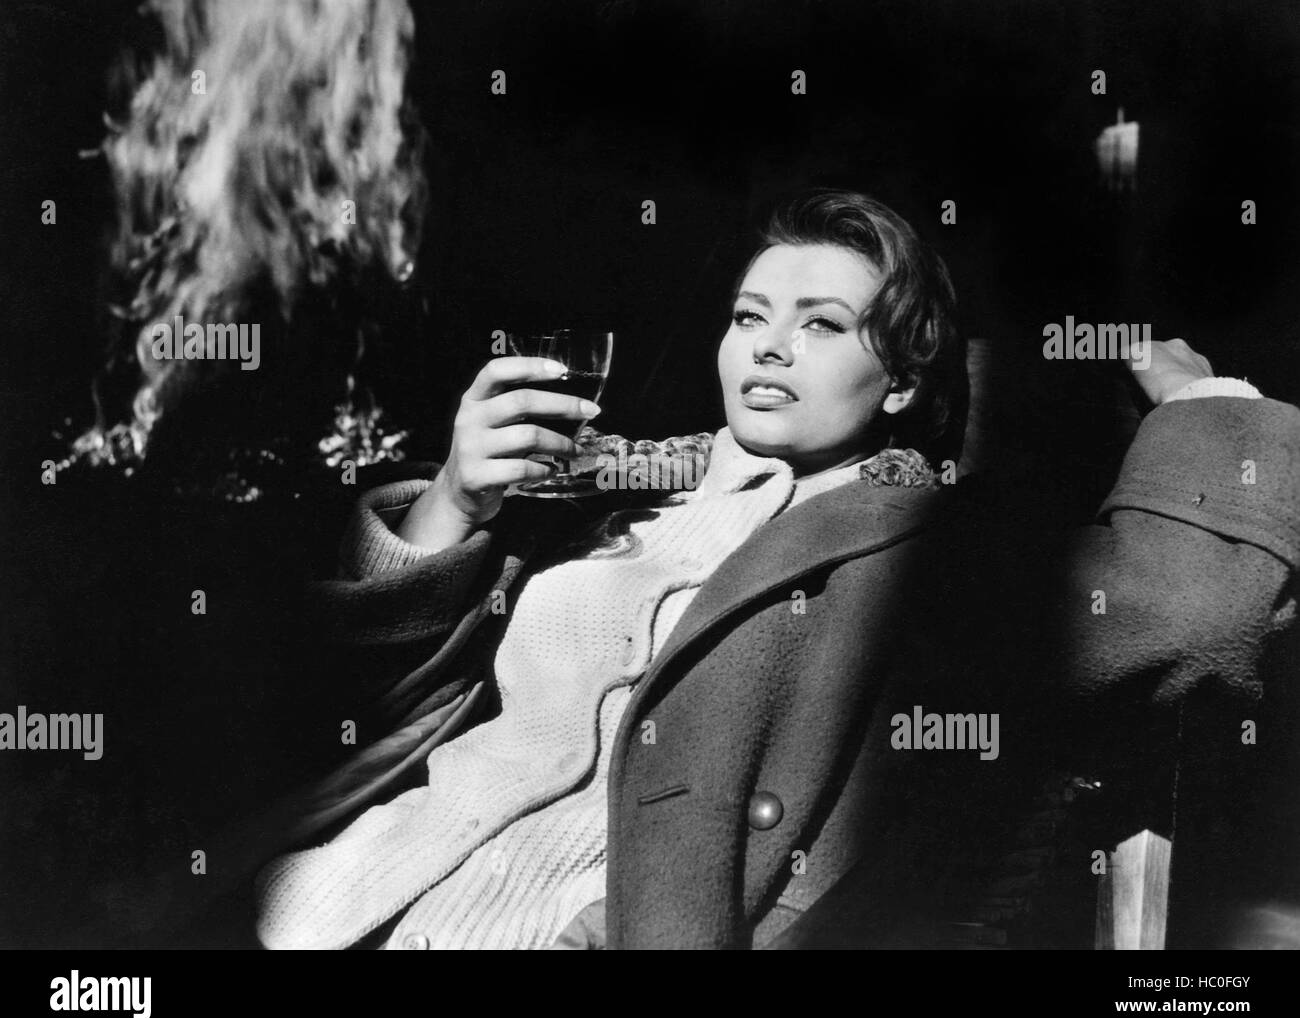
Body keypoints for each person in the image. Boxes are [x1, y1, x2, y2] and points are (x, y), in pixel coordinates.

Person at [251, 188, 1300, 949]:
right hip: (331, 895)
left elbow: (1187, 611)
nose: (768, 346)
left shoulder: (920, 547)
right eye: (751, 317)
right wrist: (454, 500)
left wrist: (1207, 406)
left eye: (823, 325)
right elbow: (353, 707)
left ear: (897, 381)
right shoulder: (600, 491)